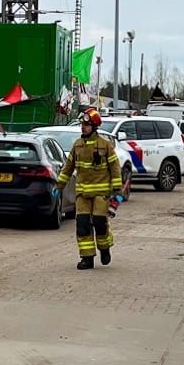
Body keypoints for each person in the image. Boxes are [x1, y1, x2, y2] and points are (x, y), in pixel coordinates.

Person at [56, 108, 122, 269]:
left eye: (86, 124)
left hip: (101, 193)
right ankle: (87, 258)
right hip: (82, 194)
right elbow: (68, 167)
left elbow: (115, 167)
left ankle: (104, 248)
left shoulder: (105, 146)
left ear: (94, 126)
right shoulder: (77, 145)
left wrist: (117, 190)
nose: (83, 127)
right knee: (82, 224)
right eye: (82, 124)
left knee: (100, 222)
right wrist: (59, 186)